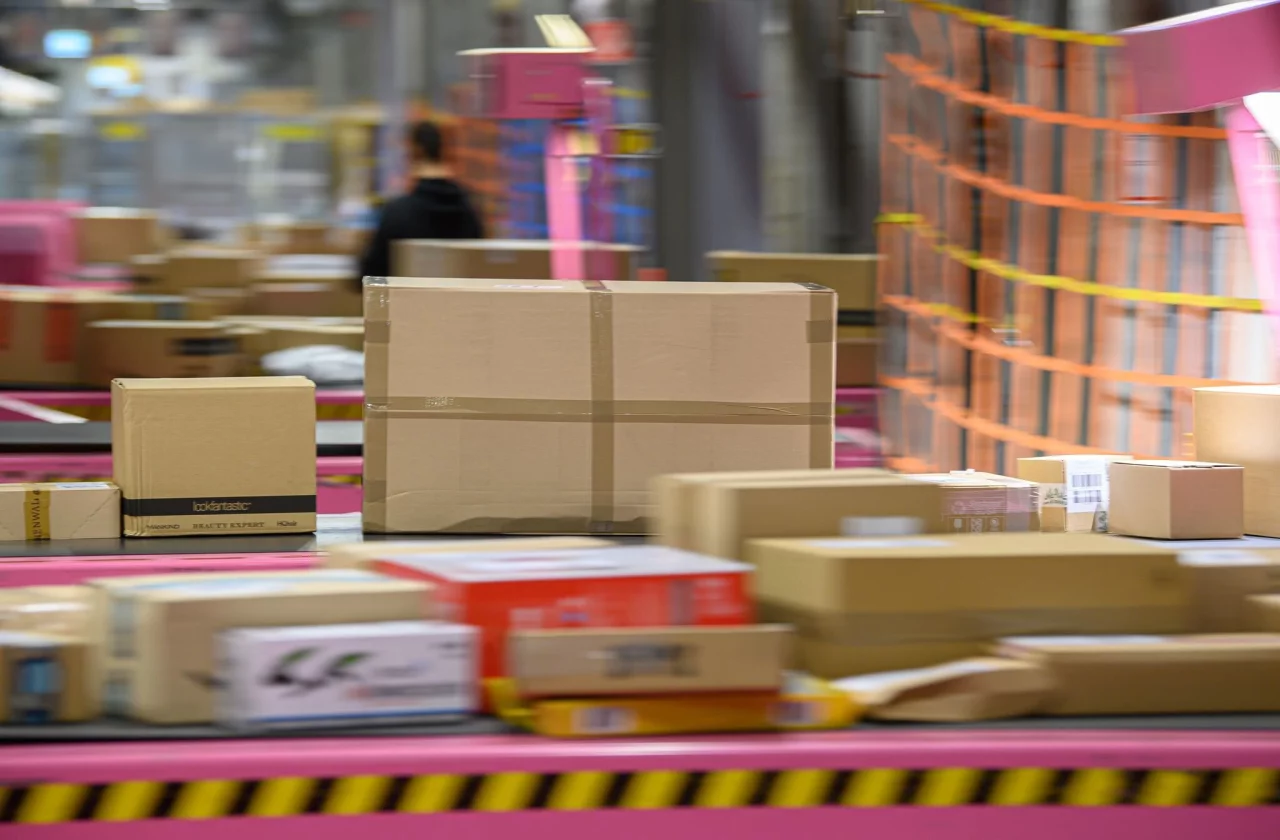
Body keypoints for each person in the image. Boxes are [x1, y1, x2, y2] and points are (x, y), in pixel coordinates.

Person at [356, 121, 485, 286]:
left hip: (407, 302)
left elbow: (370, 275)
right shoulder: (470, 209)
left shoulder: (398, 212)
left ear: (415, 151)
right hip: (460, 302)